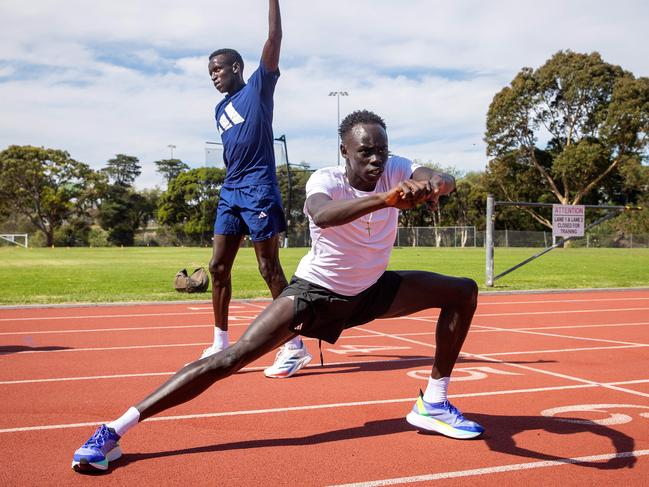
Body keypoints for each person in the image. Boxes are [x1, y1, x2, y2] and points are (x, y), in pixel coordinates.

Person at [72, 110, 484, 473]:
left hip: (373, 290)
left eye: (382, 150)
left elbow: (440, 177)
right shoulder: (326, 180)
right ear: (344, 151)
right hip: (316, 295)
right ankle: (114, 429)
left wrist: (433, 187)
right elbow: (324, 214)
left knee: (463, 292)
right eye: (365, 152)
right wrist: (386, 200)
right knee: (229, 359)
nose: (377, 160)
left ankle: (433, 402)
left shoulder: (396, 167)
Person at [203, 0, 311, 378]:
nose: (213, 76)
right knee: (218, 267)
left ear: (236, 67)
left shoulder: (259, 87)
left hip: (259, 189)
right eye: (209, 72)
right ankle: (219, 342)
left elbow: (274, 36)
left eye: (218, 69)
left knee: (269, 268)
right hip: (230, 190)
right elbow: (232, 150)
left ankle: (295, 346)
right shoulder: (220, 110)